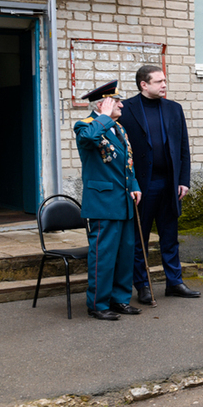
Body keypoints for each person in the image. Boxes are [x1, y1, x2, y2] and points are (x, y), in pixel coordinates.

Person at [118, 65, 196, 303]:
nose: (164, 85)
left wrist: (183, 180)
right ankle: (142, 285)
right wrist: (130, 184)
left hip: (170, 184)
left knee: (170, 235)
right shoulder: (126, 109)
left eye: (165, 81)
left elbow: (183, 147)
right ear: (144, 84)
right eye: (159, 81)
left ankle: (174, 282)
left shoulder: (174, 108)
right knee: (139, 238)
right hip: (142, 186)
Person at [73, 80, 143, 321]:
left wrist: (134, 185)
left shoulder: (119, 128)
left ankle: (120, 300)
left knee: (125, 255)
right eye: (117, 101)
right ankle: (97, 304)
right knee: (103, 256)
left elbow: (128, 163)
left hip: (124, 202)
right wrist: (103, 116)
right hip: (103, 203)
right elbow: (89, 139)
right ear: (103, 104)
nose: (122, 105)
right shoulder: (86, 126)